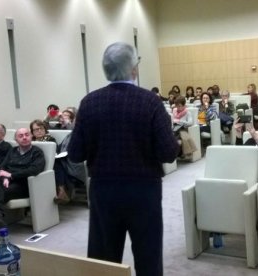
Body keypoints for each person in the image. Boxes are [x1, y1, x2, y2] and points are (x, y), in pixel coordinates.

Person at [67, 42, 179, 276]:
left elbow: (75, 154)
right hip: (144, 191)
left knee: (103, 260)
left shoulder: (89, 103)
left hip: (103, 190)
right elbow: (168, 153)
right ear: (134, 69)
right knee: (148, 256)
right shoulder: (150, 102)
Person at [0, 128, 45, 239]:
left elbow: (34, 170)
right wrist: (4, 178)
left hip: (24, 185)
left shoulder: (36, 152)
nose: (24, 137)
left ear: (31, 137)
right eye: (20, 136)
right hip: (7, 183)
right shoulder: (13, 151)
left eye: (27, 135)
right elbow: (1, 167)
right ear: (16, 139)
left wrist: (11, 176)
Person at [53, 132, 86, 204]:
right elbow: (60, 148)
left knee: (56, 165)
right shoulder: (70, 135)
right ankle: (63, 191)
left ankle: (63, 191)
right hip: (66, 162)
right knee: (56, 164)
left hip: (78, 165)